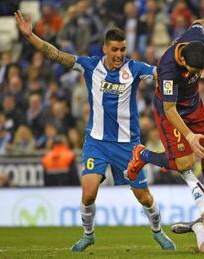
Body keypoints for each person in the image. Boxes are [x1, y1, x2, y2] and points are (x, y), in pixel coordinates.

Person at [14, 11, 175, 252]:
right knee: (88, 194)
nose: (119, 54)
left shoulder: (134, 68)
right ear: (105, 49)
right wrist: (30, 37)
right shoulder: (90, 66)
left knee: (145, 198)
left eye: (122, 49)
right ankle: (88, 234)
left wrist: (189, 73)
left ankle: (157, 231)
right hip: (96, 142)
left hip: (128, 145)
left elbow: (161, 73)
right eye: (115, 50)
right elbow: (56, 55)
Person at [126, 20, 204, 211]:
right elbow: (170, 108)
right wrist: (189, 135)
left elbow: (200, 22)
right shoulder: (167, 71)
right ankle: (143, 154)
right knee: (185, 163)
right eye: (194, 71)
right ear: (184, 61)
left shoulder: (196, 38)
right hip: (172, 112)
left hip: (194, 104)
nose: (196, 74)